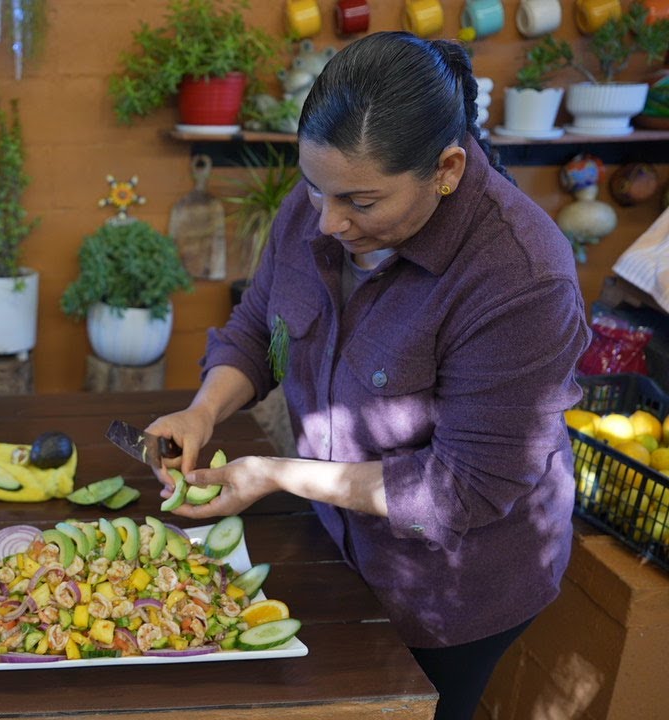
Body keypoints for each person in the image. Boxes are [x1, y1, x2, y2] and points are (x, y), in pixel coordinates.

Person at [146, 31, 589, 720]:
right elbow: (260, 328)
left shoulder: (521, 278)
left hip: (455, 592)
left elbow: (462, 491)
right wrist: (204, 411)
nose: (326, 221)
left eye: (360, 201)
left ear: (445, 168)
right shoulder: (320, 202)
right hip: (338, 545)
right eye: (314, 187)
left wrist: (276, 475)